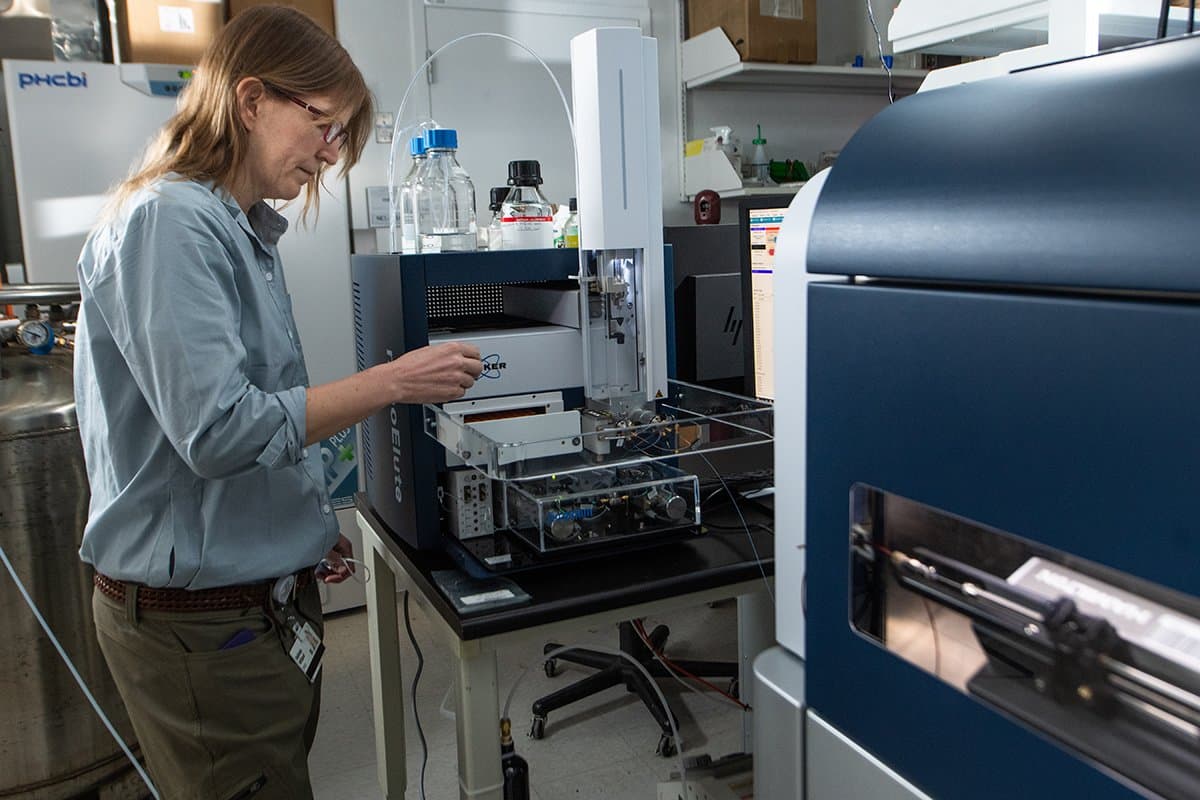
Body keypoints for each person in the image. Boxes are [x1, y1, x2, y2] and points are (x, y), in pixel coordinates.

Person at [73, 7, 483, 799]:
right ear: (251, 99)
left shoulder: (239, 231)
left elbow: (257, 412)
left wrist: (297, 532)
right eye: (323, 125)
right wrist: (394, 381)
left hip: (252, 602)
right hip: (197, 624)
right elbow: (220, 432)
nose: (331, 156)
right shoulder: (170, 223)